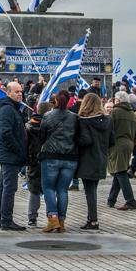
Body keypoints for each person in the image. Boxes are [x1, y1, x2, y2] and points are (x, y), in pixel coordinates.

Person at [38, 90, 78, 232]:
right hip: (70, 158)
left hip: (51, 156)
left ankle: (53, 218)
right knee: (63, 190)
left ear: (54, 101)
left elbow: (41, 136)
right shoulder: (74, 117)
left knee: (48, 188)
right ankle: (61, 221)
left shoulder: (48, 116)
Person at [74, 93, 112, 230]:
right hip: (101, 158)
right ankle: (92, 219)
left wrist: (75, 140)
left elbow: (86, 140)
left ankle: (93, 220)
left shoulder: (84, 120)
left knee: (89, 191)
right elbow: (112, 141)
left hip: (87, 159)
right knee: (93, 190)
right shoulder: (108, 120)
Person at [0, 81, 27, 231]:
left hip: (8, 154)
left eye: (21, 91)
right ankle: (6, 220)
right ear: (8, 93)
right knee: (9, 187)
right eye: (16, 92)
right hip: (9, 154)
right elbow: (6, 133)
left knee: (4, 186)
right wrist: (18, 149)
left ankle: (2, 218)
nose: (20, 94)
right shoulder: (7, 109)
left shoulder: (12, 108)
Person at [106, 91, 136, 210]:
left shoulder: (114, 112)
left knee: (120, 172)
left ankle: (130, 201)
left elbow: (108, 129)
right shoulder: (133, 114)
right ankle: (111, 200)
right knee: (118, 171)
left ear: (118, 100)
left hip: (117, 144)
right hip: (129, 143)